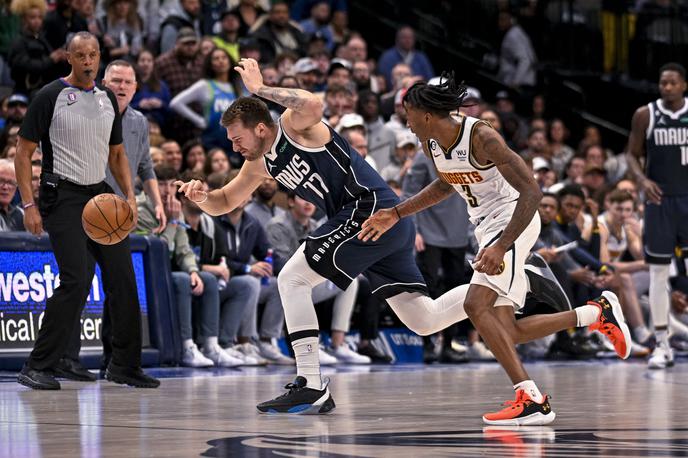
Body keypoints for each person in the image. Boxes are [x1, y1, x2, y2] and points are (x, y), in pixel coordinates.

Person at [176, 59, 606, 418]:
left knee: (292, 278)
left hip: (367, 211)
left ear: (261, 127)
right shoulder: (259, 165)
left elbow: (313, 101)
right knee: (423, 319)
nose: (234, 148)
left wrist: (262, 87)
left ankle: (310, 381)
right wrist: (202, 196)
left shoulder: (293, 125)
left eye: (237, 138)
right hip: (386, 222)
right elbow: (225, 200)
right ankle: (526, 280)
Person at [359, 75, 632, 425]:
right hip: (486, 226)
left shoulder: (482, 137)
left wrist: (502, 246)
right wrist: (397, 212)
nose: (405, 121)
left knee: (475, 305)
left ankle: (531, 398)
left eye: (408, 114)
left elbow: (533, 192)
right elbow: (447, 183)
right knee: (507, 331)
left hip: (513, 218)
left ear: (426, 114)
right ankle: (597, 313)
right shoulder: (431, 143)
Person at [14, 32, 159, 390]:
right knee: (76, 279)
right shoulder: (49, 96)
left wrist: (128, 195)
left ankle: (123, 365)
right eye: (80, 55)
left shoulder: (107, 96)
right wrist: (29, 204)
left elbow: (117, 154)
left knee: (124, 280)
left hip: (101, 194)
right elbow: (22, 152)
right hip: (61, 195)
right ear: (68, 57)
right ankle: (38, 364)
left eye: (93, 54)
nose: (88, 61)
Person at [59, 59, 166, 380]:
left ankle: (119, 363)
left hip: (116, 215)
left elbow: (145, 165)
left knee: (122, 288)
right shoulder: (87, 112)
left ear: (135, 88)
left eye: (127, 82)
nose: (120, 86)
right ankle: (66, 358)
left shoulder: (138, 122)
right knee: (77, 284)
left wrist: (157, 203)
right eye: (115, 80)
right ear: (104, 82)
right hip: (83, 208)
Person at [626, 62, 688, 369]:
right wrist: (641, 180)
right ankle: (662, 345)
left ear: (684, 86)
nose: (667, 87)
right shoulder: (645, 115)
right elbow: (631, 154)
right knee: (658, 273)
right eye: (663, 83)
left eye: (673, 83)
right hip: (660, 201)